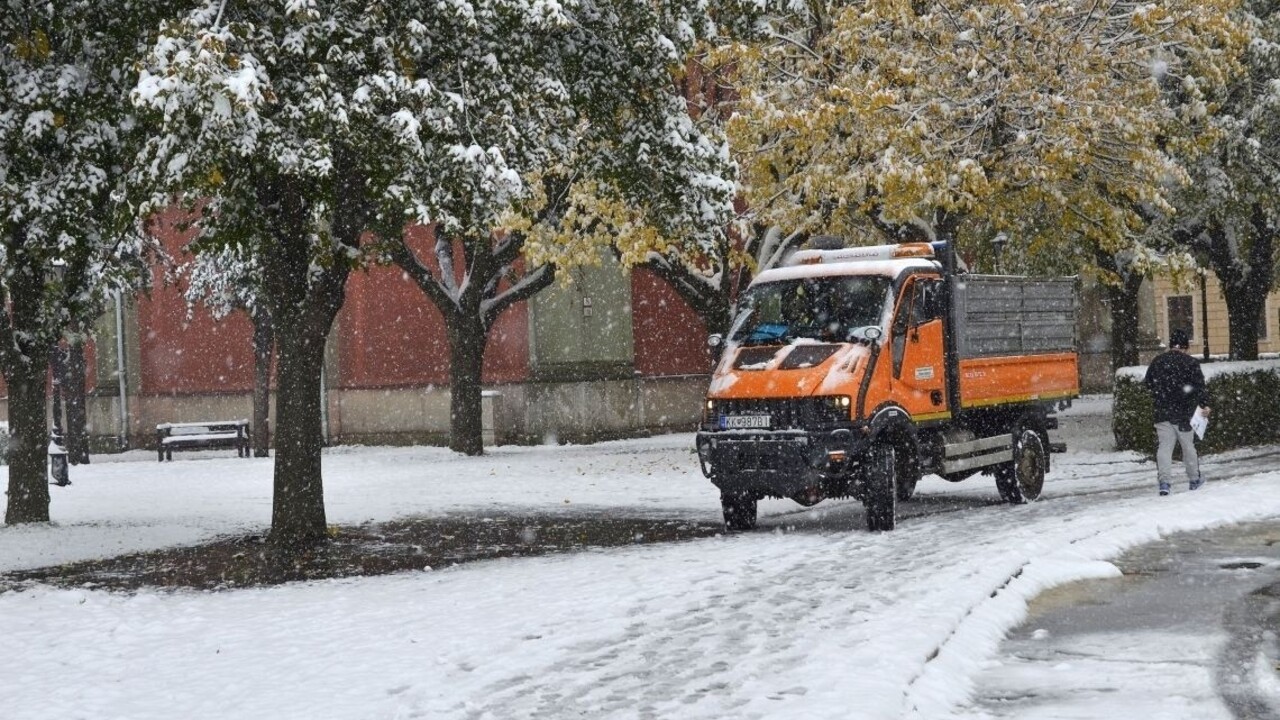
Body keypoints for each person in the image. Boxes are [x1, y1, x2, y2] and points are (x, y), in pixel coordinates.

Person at [1142, 328, 1211, 496]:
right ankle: (1194, 479)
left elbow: (1148, 384)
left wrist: (1162, 394)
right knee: (1188, 447)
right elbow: (1199, 388)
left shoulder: (1157, 361)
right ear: (1185, 346)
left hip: (1162, 411)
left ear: (1171, 344)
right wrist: (1204, 405)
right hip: (1184, 414)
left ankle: (1164, 483)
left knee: (1164, 447)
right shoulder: (1191, 363)